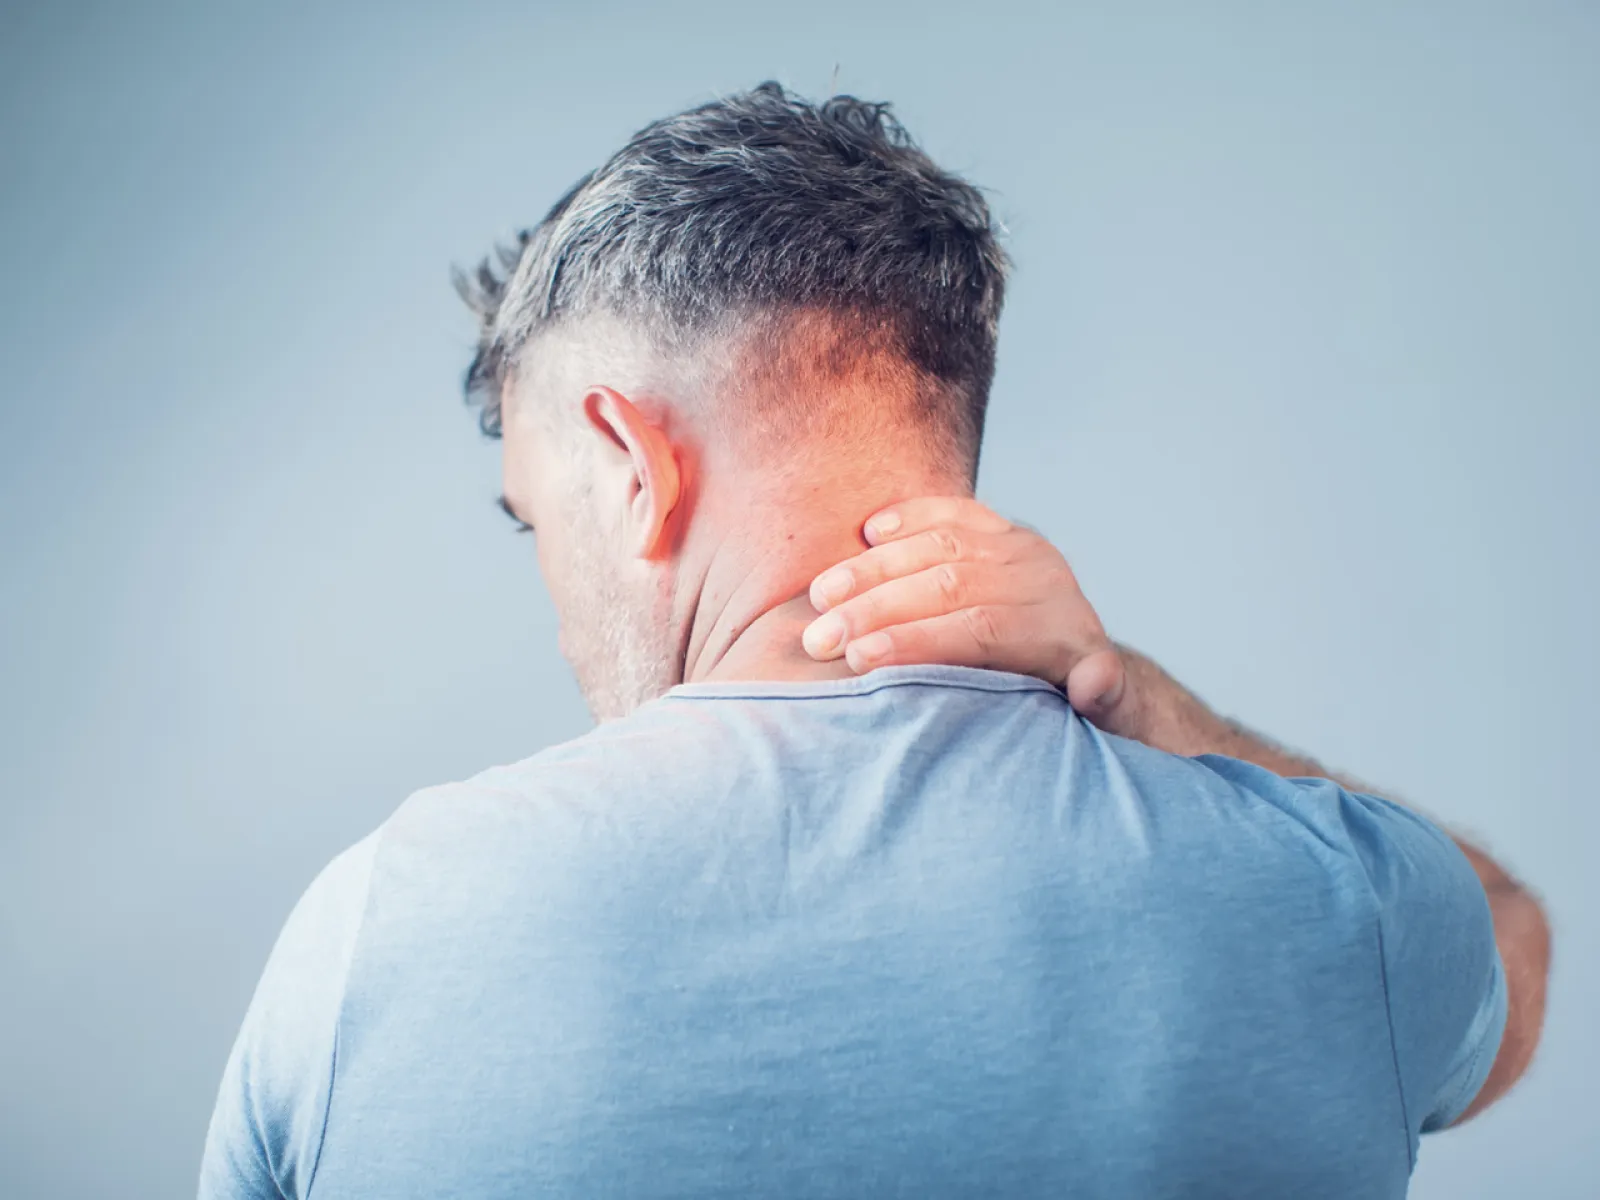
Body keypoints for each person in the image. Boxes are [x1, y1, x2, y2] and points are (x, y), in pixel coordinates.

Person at [198, 83, 1549, 1199]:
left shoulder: (378, 933)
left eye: (535, 522)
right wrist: (1144, 700)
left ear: (632, 465)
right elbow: (1507, 939)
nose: (557, 616)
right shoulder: (1345, 899)